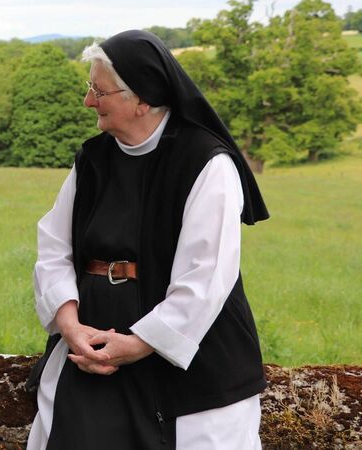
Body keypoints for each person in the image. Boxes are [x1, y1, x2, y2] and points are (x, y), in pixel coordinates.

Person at [26, 30, 270, 449]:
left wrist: (141, 343)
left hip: (189, 359)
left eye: (98, 90)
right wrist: (69, 325)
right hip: (93, 351)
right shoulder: (94, 158)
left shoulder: (205, 164)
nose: (88, 101)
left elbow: (206, 275)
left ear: (141, 99)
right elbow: (54, 244)